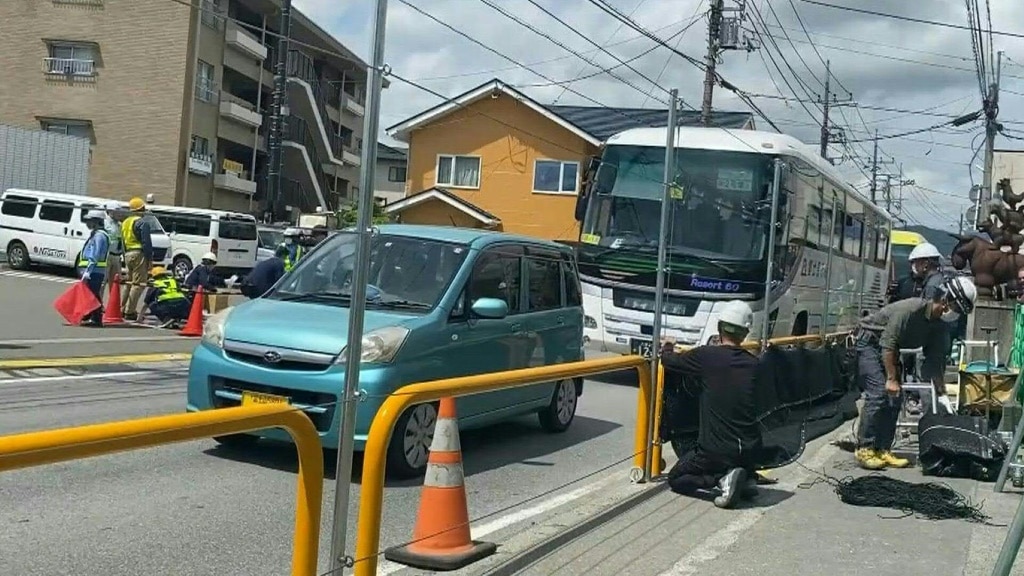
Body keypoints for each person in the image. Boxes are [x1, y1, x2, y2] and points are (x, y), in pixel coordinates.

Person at [854, 275, 977, 471]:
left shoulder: (939, 328)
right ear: (945, 300)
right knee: (878, 393)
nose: (954, 315)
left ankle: (882, 448)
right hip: (871, 342)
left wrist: (942, 392)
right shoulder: (912, 309)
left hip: (891, 350)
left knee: (895, 399)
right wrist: (892, 379)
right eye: (956, 309)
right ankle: (865, 448)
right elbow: (888, 343)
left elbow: (935, 362)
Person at [660, 300, 762, 509]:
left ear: (719, 328)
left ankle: (722, 479)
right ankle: (746, 477)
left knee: (676, 478)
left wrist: (668, 346)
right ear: (745, 334)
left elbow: (669, 361)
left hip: (714, 451)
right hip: (751, 449)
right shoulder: (755, 365)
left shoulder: (706, 356)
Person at [120, 197, 154, 321]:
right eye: (143, 209)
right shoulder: (142, 223)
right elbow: (146, 243)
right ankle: (130, 311)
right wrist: (149, 259)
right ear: (140, 210)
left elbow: (123, 242)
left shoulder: (125, 223)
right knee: (138, 284)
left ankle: (121, 308)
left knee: (128, 283)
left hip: (128, 254)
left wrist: (124, 256)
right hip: (139, 253)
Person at [77, 210, 110, 327]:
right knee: (91, 294)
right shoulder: (96, 234)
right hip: (93, 270)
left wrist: (88, 272)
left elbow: (95, 255)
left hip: (95, 271)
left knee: (93, 295)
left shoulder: (100, 236)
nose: (87, 223)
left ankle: (96, 319)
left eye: (89, 220)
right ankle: (91, 316)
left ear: (96, 221)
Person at [102, 201, 124, 304]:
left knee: (115, 282)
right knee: (103, 282)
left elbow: (122, 242)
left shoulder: (120, 224)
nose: (120, 214)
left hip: (117, 256)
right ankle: (98, 305)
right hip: (107, 255)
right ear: (110, 211)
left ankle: (113, 305)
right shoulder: (104, 223)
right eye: (117, 211)